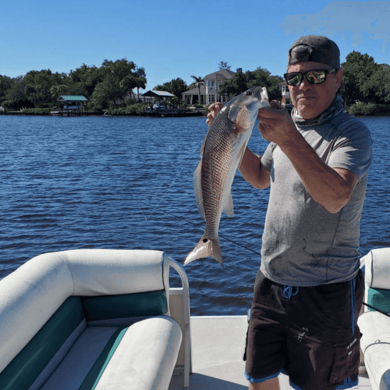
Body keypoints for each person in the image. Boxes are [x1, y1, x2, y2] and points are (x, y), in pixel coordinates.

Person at [207, 35, 372, 390]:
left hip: (325, 291)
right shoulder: (285, 128)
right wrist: (228, 138)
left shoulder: (351, 134)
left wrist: (287, 137)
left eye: (316, 76)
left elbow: (336, 196)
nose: (303, 85)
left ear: (338, 78)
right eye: (295, 77)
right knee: (260, 377)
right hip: (270, 281)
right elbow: (260, 178)